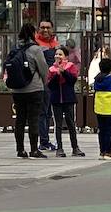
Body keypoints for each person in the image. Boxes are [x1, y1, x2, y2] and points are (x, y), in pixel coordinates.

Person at [6, 23, 49, 159]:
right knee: (33, 120)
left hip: (17, 90)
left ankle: (20, 149)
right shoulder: (36, 49)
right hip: (34, 89)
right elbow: (43, 69)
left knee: (20, 120)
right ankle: (34, 150)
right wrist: (44, 82)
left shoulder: (15, 48)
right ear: (33, 33)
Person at [46, 45, 84, 157]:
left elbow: (72, 81)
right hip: (56, 100)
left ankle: (75, 147)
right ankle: (59, 148)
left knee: (71, 123)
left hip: (68, 99)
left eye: (60, 54)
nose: (58, 56)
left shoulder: (71, 66)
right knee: (58, 124)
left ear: (66, 56)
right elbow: (50, 85)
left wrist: (64, 72)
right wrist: (57, 75)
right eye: (56, 54)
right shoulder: (51, 69)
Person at [35, 20, 60, 150]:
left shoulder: (55, 44)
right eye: (42, 27)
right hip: (42, 83)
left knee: (48, 113)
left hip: (53, 83)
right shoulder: (36, 44)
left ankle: (45, 140)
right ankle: (43, 141)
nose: (45, 30)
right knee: (43, 112)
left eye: (48, 27)